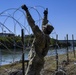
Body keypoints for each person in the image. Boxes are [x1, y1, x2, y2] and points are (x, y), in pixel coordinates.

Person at [21, 4, 54, 75]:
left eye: (44, 27)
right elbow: (44, 24)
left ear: (45, 29)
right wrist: (45, 15)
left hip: (34, 61)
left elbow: (31, 23)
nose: (43, 27)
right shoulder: (48, 38)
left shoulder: (40, 35)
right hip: (41, 60)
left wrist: (26, 11)